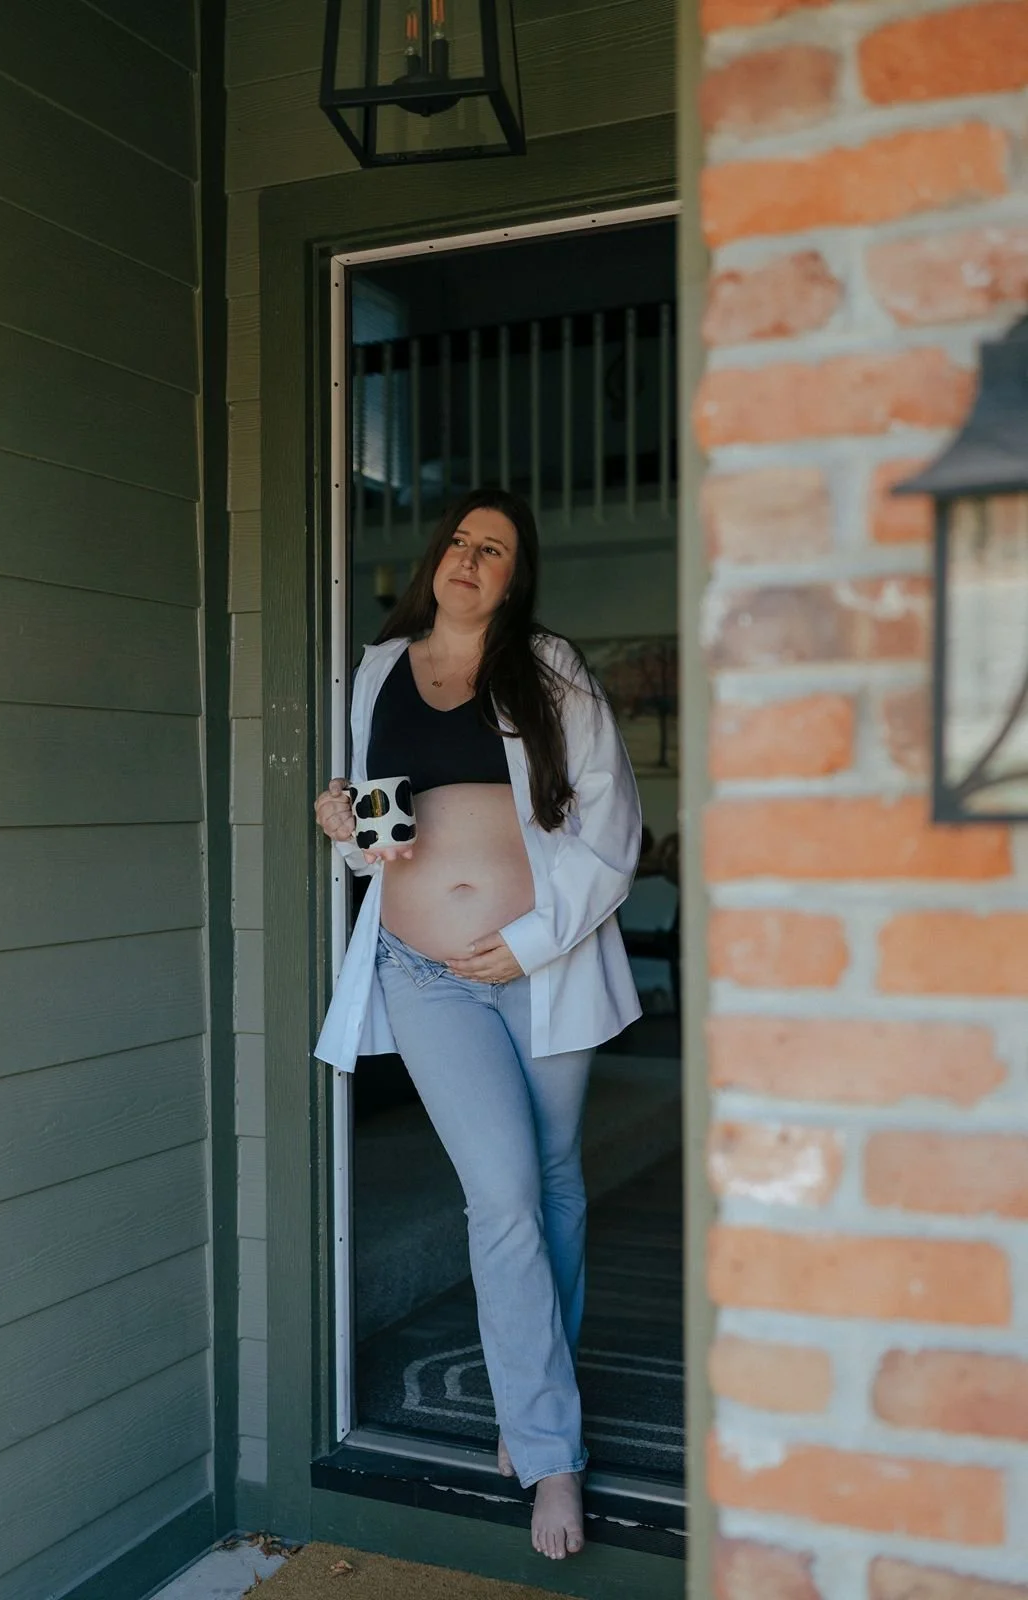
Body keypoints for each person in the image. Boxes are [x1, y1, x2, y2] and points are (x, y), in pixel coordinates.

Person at [314, 488, 642, 1562]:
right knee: (502, 1195)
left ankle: (535, 1391)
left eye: (491, 548)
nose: (467, 557)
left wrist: (533, 940)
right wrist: (343, 822)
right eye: (458, 540)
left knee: (552, 1182)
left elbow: (612, 824)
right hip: (425, 973)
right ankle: (550, 1451)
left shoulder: (549, 670)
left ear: (513, 575)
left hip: (544, 967)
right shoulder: (378, 670)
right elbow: (373, 837)